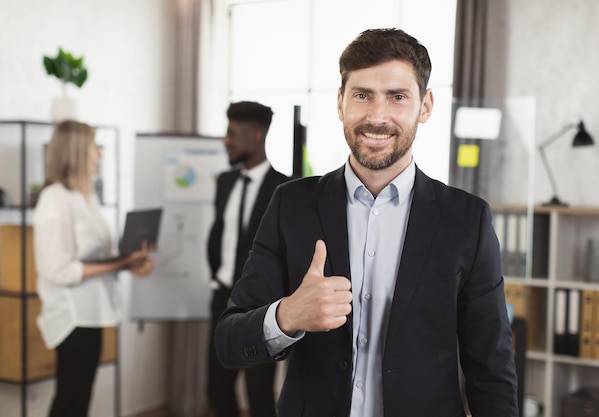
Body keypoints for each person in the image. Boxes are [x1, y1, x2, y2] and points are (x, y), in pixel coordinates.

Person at [214, 28, 519, 417]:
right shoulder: (291, 205)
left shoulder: (467, 219)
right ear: (340, 103)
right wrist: (288, 315)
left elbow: (491, 368)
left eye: (397, 97)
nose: (377, 117)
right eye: (362, 96)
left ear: (425, 106)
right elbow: (229, 341)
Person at [33, 120, 154, 417]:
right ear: (76, 152)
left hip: (93, 313)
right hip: (72, 316)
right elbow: (57, 270)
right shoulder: (54, 199)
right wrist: (120, 263)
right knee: (70, 400)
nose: (99, 154)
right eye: (94, 148)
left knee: (79, 399)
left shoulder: (85, 197)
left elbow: (96, 258)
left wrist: (128, 264)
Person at [207, 101, 289, 417]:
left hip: (261, 305)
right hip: (221, 298)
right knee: (216, 388)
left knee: (258, 392)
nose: (226, 141)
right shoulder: (225, 183)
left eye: (232, 134)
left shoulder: (284, 187)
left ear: (255, 135)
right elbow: (221, 236)